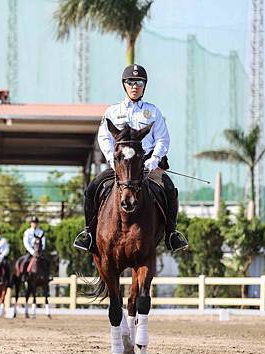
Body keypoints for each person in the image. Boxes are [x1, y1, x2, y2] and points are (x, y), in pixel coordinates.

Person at [73, 64, 188, 254]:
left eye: (139, 82)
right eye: (131, 82)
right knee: (92, 188)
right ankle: (89, 234)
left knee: (169, 189)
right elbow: (104, 137)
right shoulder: (112, 111)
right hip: (121, 165)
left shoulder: (153, 112)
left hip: (148, 164)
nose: (135, 86)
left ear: (144, 85)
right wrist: (111, 158)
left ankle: (171, 234)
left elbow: (162, 138)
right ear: (124, 84)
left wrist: (154, 160)